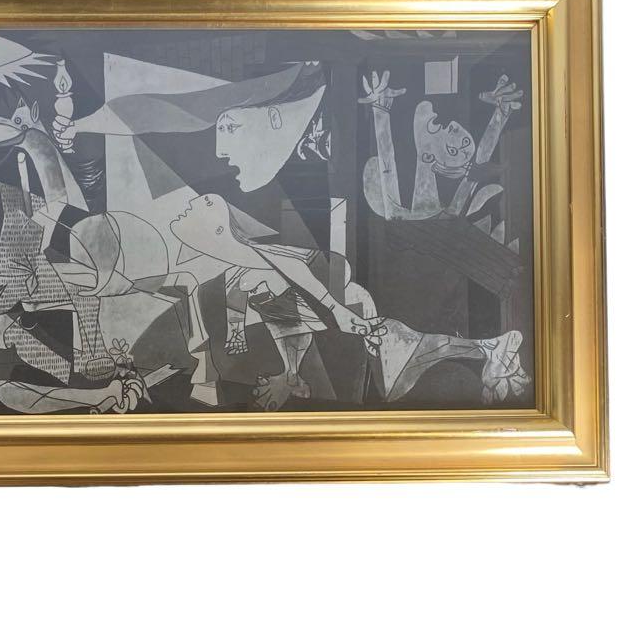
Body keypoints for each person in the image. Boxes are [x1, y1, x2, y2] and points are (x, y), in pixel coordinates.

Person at [171, 194, 530, 408]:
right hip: (343, 317)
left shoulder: (260, 259)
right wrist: (291, 372)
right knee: (402, 361)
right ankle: (489, 351)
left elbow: (298, 274)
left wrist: (337, 311)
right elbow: (288, 324)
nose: (185, 209)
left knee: (403, 356)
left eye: (196, 206)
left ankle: (489, 349)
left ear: (217, 229)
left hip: (350, 308)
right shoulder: (241, 278)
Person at [360, 70, 523, 220]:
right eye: (465, 141)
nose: (458, 138)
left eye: (452, 150)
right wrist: (500, 114)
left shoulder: (402, 210)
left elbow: (386, 162)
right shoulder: (448, 208)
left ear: (429, 157)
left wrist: (381, 110)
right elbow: (481, 157)